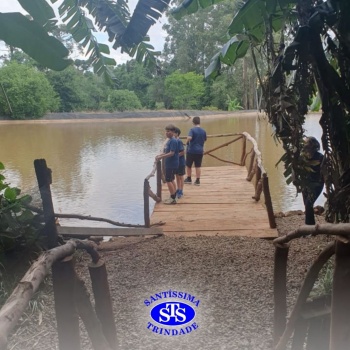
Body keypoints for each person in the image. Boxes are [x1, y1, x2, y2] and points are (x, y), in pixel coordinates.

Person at [301, 136, 324, 225]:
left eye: (307, 143)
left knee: (308, 203)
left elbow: (324, 172)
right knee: (307, 205)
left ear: (313, 145)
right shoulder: (303, 156)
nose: (305, 145)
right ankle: (311, 226)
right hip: (305, 183)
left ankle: (308, 227)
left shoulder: (320, 157)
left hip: (317, 184)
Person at [155, 124, 179, 204]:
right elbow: (167, 152)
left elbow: (172, 153)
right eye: (166, 131)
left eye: (168, 131)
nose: (166, 133)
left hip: (172, 164)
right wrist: (161, 155)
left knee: (168, 180)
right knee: (171, 179)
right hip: (170, 163)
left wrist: (161, 157)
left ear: (172, 132)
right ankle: (174, 195)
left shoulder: (173, 141)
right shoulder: (170, 140)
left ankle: (173, 198)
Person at [184, 116, 207, 186]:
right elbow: (205, 139)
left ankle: (189, 178)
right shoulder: (203, 131)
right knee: (198, 166)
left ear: (193, 122)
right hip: (200, 151)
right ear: (199, 122)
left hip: (191, 151)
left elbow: (190, 137)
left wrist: (186, 142)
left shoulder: (192, 130)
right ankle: (197, 180)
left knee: (188, 165)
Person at [174, 127, 185, 199]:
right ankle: (178, 188)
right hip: (176, 162)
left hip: (180, 162)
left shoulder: (179, 141)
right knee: (177, 176)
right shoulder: (173, 141)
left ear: (177, 134)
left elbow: (183, 152)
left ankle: (181, 190)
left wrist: (175, 156)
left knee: (181, 176)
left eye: (173, 132)